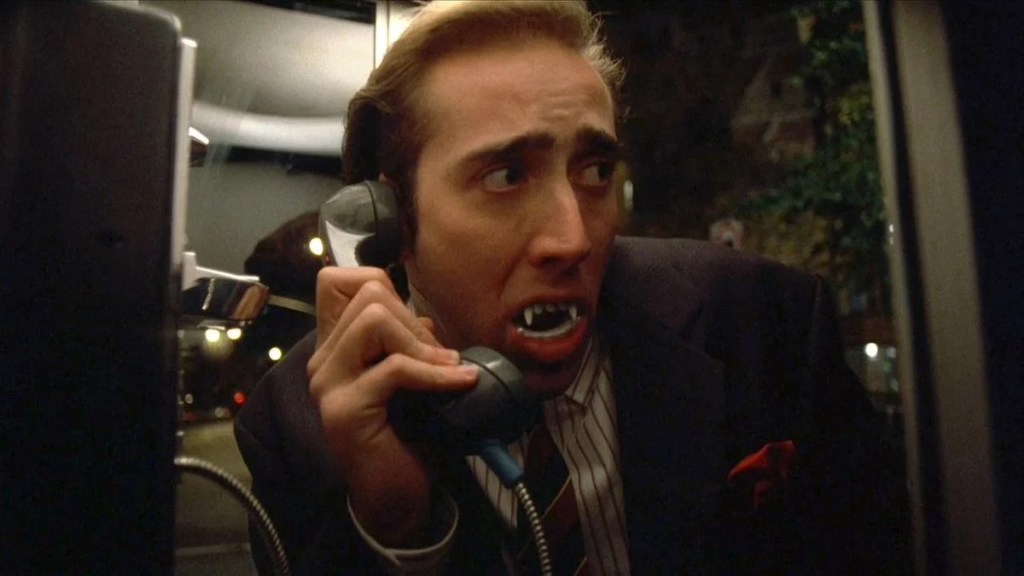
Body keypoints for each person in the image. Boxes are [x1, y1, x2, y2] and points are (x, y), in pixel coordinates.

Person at [235, 1, 903, 574]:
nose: (573, 238)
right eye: (506, 176)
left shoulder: (764, 322)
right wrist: (399, 531)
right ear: (392, 223)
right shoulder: (294, 427)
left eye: (594, 171)